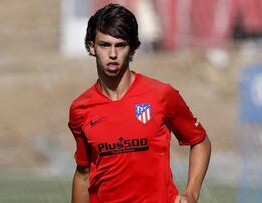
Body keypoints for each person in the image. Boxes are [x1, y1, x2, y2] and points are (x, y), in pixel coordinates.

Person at [68, 3, 211, 203]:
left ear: (133, 47)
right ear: (92, 46)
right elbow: (83, 174)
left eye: (120, 45)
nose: (112, 54)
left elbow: (200, 142)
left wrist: (191, 193)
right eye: (104, 45)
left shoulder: (161, 95)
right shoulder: (80, 109)